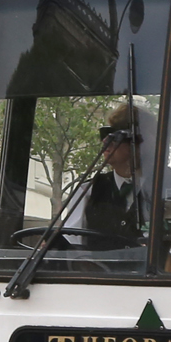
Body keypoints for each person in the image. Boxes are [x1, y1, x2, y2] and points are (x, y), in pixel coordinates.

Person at [64, 100, 151, 241]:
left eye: (117, 135)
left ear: (144, 142)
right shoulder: (87, 191)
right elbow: (71, 248)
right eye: (105, 133)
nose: (106, 140)